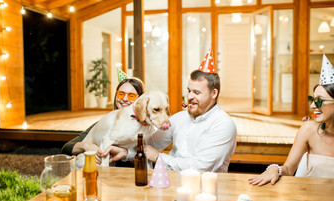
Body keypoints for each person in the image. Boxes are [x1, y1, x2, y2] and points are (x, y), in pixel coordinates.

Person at [100, 49, 237, 172]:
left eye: (196, 92)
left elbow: (200, 167)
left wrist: (159, 157)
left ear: (213, 93)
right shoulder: (179, 118)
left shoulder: (223, 124)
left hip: (205, 191)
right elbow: (150, 145)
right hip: (168, 183)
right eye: (189, 91)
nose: (189, 97)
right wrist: (125, 153)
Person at [248, 54, 334, 186]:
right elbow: (288, 169)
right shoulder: (309, 130)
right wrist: (274, 168)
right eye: (312, 100)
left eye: (319, 101)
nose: (312, 106)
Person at [62, 77, 144, 167]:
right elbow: (66, 148)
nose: (124, 99)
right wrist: (87, 146)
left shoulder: (145, 128)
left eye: (131, 95)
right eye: (121, 94)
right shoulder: (106, 123)